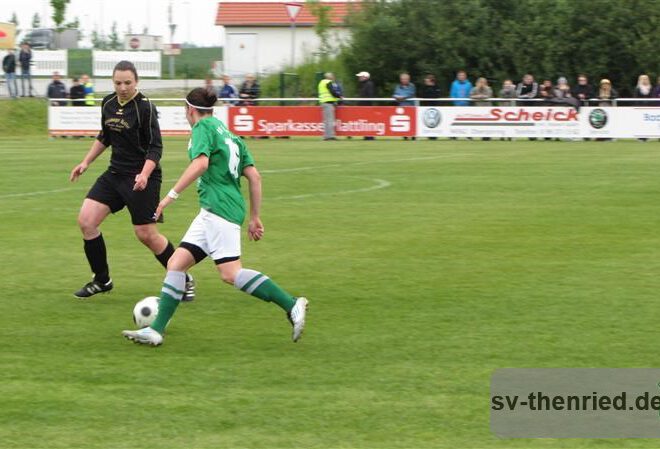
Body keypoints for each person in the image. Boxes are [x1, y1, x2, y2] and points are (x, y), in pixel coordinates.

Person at [122, 87, 308, 346]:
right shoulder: (231, 135)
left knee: (230, 273)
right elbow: (254, 176)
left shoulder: (202, 128)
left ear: (190, 110)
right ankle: (156, 330)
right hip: (215, 210)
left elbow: (200, 164)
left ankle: (291, 304)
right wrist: (255, 217)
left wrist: (168, 198)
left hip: (219, 209)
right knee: (176, 263)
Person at [69, 60, 195, 300]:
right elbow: (104, 136)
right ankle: (102, 280)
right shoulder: (107, 102)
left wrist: (144, 174)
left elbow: (155, 148)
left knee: (146, 233)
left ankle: (183, 278)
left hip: (143, 176)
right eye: (118, 83)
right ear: (112, 82)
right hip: (115, 174)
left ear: (136, 81)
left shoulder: (145, 107)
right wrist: (85, 162)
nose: (123, 87)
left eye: (127, 82)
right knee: (86, 221)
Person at [318, 72, 342, 141]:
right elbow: (333, 92)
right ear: (330, 77)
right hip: (328, 103)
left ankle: (326, 136)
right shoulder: (328, 82)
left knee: (326, 121)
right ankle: (331, 136)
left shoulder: (321, 82)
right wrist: (339, 96)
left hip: (323, 102)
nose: (333, 77)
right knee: (330, 120)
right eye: (332, 76)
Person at [356, 71, 376, 140]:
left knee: (368, 121)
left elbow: (370, 95)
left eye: (360, 76)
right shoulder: (363, 84)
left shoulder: (369, 84)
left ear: (365, 77)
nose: (359, 77)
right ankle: (366, 135)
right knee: (365, 121)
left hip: (367, 106)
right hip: (363, 106)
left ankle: (370, 136)